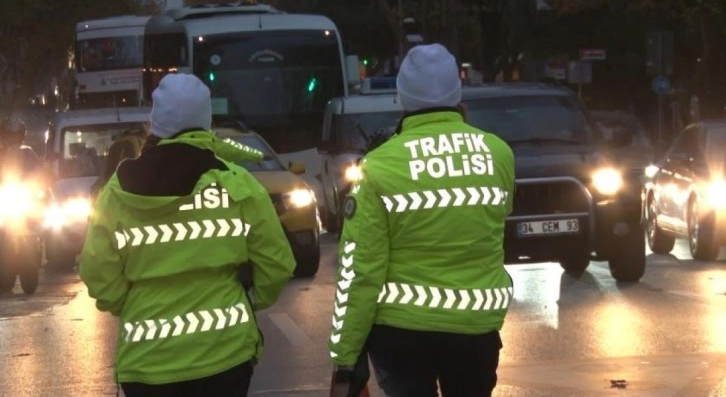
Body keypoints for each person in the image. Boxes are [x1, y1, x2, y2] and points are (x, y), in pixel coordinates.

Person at [79, 73, 296, 396]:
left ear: (155, 123)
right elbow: (277, 263)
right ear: (205, 119)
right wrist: (247, 302)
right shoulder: (236, 183)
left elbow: (97, 273)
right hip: (225, 357)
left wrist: (135, 304)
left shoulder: (117, 190)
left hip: (147, 366)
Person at [328, 44, 516, 397]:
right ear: (456, 91)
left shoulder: (379, 166)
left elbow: (359, 268)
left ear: (402, 97)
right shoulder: (499, 154)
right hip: (476, 328)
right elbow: (497, 221)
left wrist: (345, 354)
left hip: (402, 334)